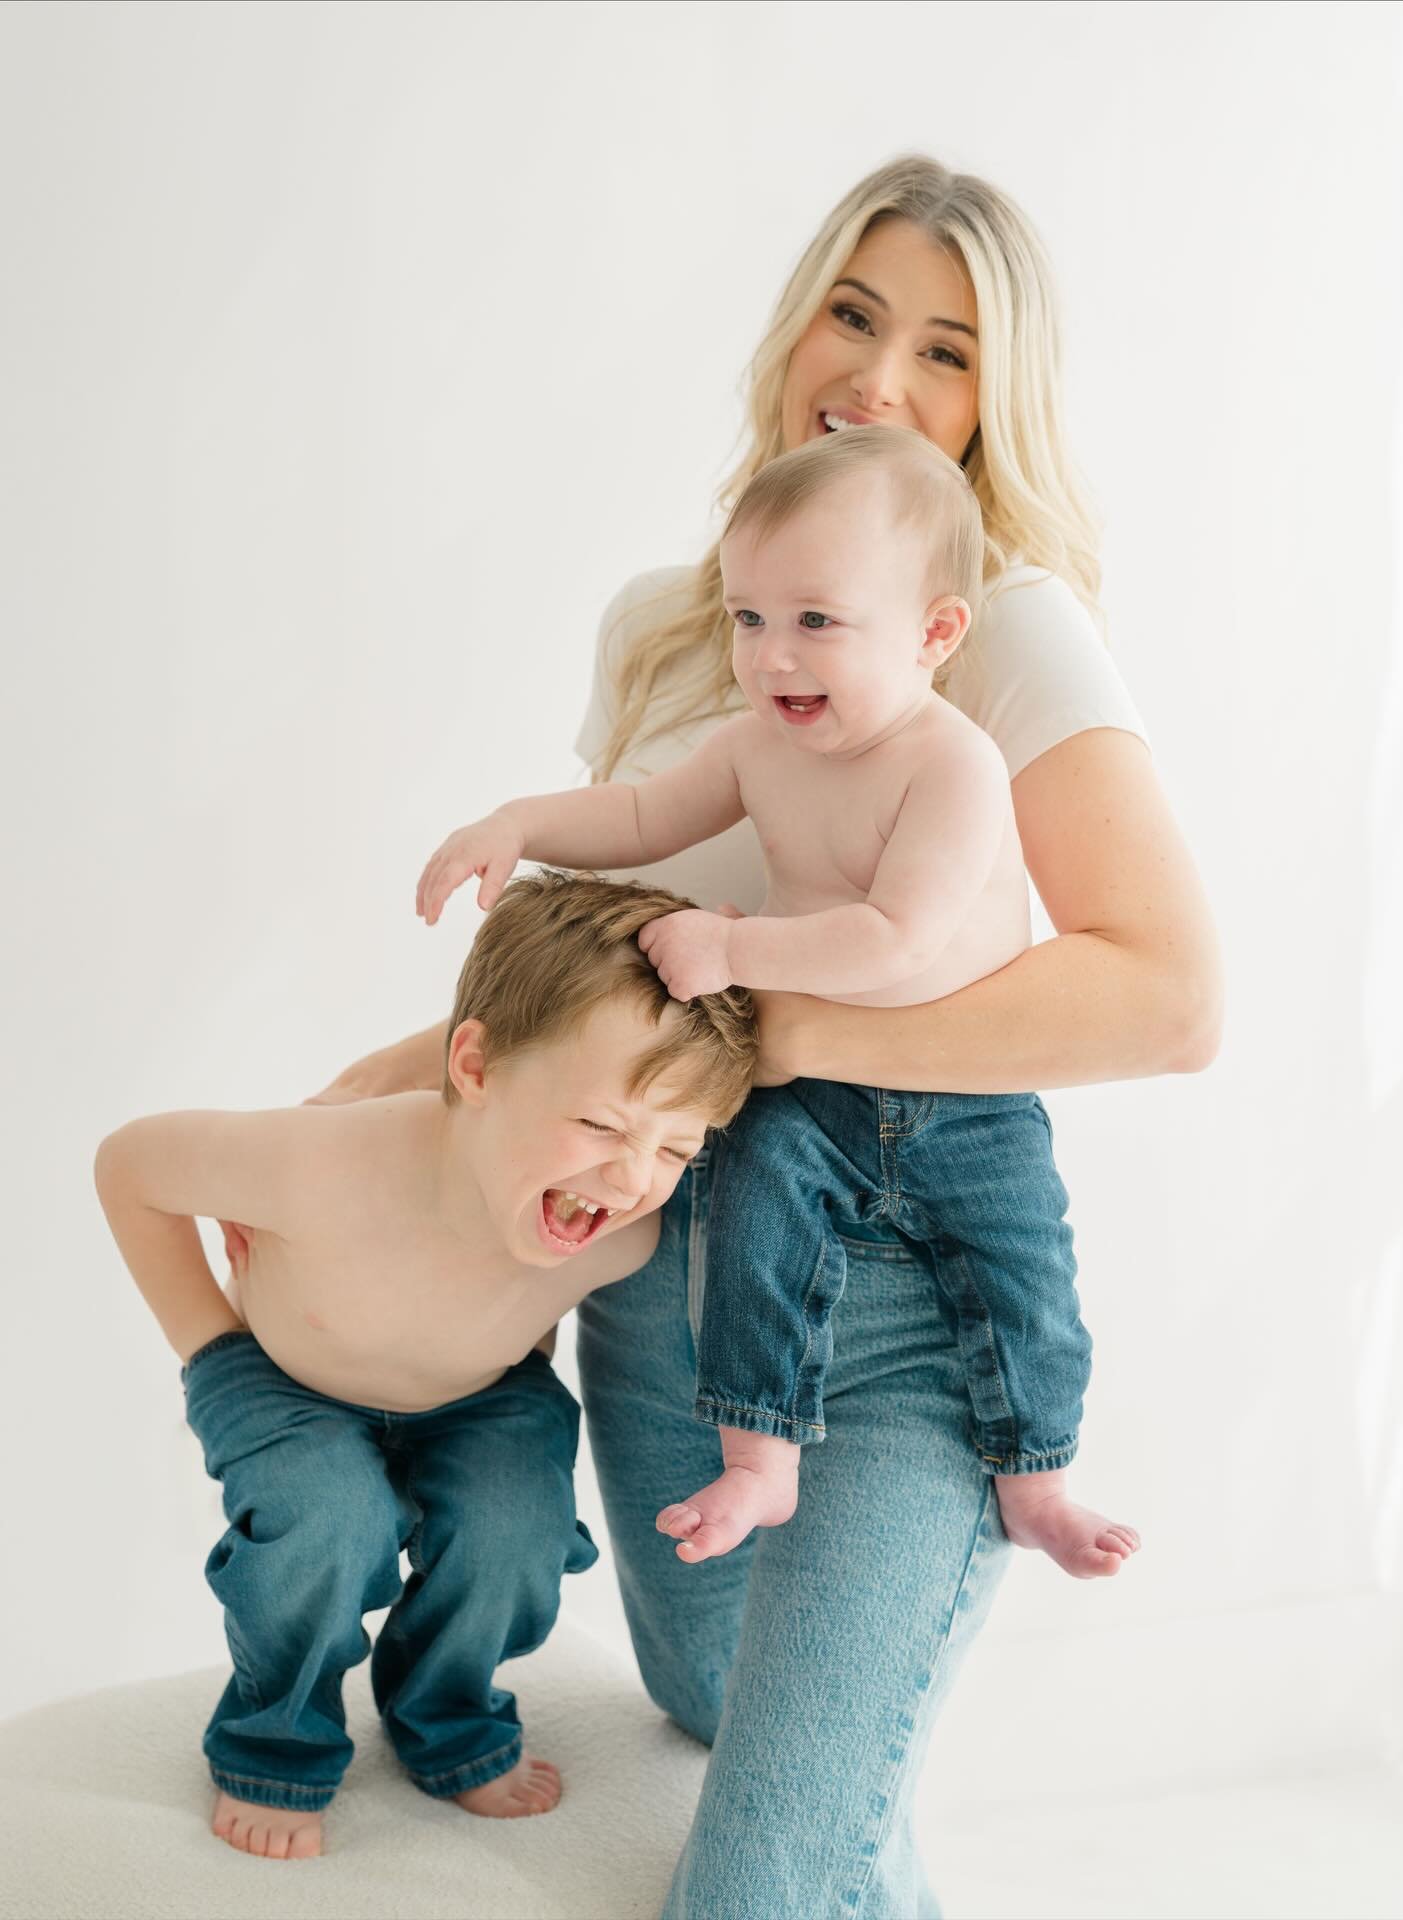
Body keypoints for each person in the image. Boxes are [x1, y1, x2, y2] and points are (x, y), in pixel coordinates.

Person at [305, 156, 1221, 1918]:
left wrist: (761, 1020)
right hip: (670, 1297)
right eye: (856, 313)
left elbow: (1167, 995)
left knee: (769, 1867)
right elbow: (599, 976)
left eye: (950, 354)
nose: (881, 377)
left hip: (898, 1312)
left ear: (995, 406)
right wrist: (417, 1079)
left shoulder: (1002, 631)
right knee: (728, 1716)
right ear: (796, 321)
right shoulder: (679, 628)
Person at [416, 425, 1139, 1580]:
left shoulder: (952, 766)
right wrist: (520, 824)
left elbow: (897, 941)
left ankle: (1037, 1478)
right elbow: (647, 818)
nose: (771, 656)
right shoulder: (759, 746)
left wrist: (734, 945)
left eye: (815, 621)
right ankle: (760, 1457)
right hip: (808, 1091)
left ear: (936, 634)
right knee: (749, 1236)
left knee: (1023, 1274)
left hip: (967, 1099)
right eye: (748, 618)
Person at [95, 872, 756, 1863]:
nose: (631, 1177)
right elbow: (130, 1165)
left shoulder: (623, 1234)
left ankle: (447, 1715)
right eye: (602, 1126)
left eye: (677, 1147)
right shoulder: (316, 1163)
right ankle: (275, 1743)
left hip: (481, 1394)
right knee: (327, 1526)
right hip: (287, 1381)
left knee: (514, 1531)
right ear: (474, 1068)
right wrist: (209, 1347)